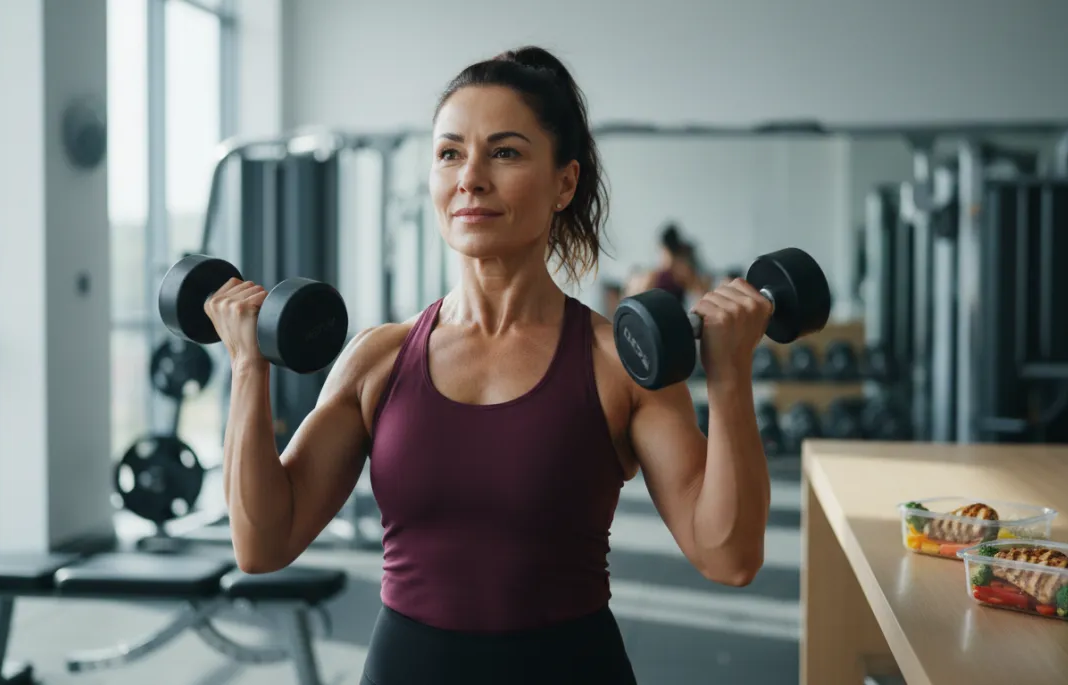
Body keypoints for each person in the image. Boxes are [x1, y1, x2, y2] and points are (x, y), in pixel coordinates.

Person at [205, 46, 773, 685]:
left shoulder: (617, 363)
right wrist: (248, 367)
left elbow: (728, 557)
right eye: (449, 153)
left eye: (504, 152)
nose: (470, 177)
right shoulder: (378, 359)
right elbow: (263, 543)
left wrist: (730, 380)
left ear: (565, 182)